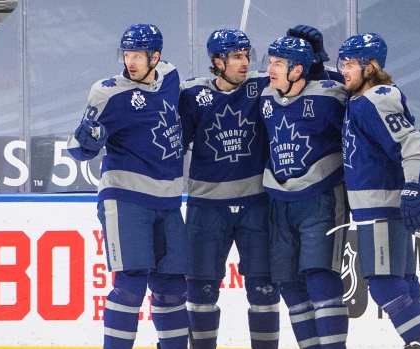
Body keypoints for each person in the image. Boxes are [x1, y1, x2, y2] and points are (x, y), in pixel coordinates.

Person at [66, 24, 189, 349]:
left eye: (138, 55)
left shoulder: (171, 76)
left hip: (169, 202)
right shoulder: (108, 92)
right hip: (126, 200)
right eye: (127, 54)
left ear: (156, 56)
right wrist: (86, 140)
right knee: (131, 283)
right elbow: (78, 148)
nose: (130, 61)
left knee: (173, 286)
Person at [178, 29, 280, 349]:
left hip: (256, 206)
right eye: (237, 56)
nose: (245, 63)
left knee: (264, 290)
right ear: (217, 61)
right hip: (206, 208)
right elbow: (171, 142)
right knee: (200, 290)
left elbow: (304, 76)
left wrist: (316, 60)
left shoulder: (261, 86)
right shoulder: (192, 95)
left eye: (247, 55)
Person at [338, 33, 420, 349]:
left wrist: (413, 189)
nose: (343, 70)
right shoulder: (362, 98)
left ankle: (418, 343)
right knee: (403, 282)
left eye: (350, 63)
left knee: (382, 285)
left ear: (371, 66)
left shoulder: (376, 99)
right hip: (379, 208)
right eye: (343, 63)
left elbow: (413, 144)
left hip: (381, 209)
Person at [260, 36, 349, 349]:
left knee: (320, 278)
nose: (269, 69)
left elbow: (361, 110)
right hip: (279, 204)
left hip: (321, 200)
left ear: (297, 70)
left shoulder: (329, 97)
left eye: (277, 64)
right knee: (289, 284)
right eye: (269, 61)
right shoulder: (266, 97)